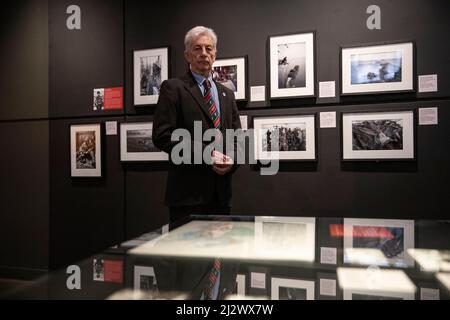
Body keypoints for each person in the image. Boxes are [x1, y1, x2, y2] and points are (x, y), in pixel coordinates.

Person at [152, 26, 241, 224]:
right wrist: (208, 155)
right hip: (187, 197)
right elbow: (163, 135)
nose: (204, 54)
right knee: (187, 255)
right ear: (187, 55)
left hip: (221, 195)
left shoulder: (227, 94)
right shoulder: (173, 88)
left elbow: (238, 140)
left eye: (209, 49)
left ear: (215, 54)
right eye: (197, 48)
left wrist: (231, 160)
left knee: (218, 255)